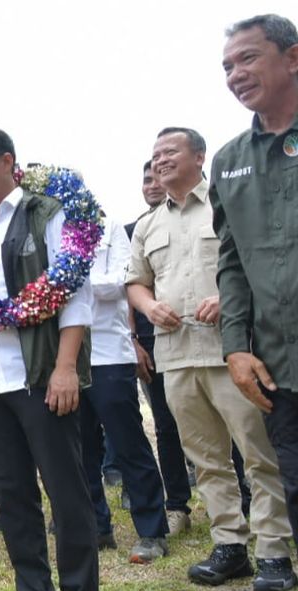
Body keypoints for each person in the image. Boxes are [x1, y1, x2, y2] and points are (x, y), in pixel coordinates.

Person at [127, 127, 293, 591]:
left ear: (199, 156)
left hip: (231, 352)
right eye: (155, 153)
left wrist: (228, 297)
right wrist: (147, 305)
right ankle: (229, 546)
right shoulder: (148, 223)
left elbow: (254, 263)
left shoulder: (227, 204)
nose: (160, 160)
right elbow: (136, 282)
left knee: (259, 455)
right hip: (176, 357)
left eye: (170, 151)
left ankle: (274, 551)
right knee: (208, 460)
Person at [0, 128, 98, 591]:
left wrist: (64, 368)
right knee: (12, 495)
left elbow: (75, 294)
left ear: (7, 161)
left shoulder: (43, 212)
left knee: (65, 491)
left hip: (39, 375)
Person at [211, 13, 298, 591]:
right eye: (227, 67)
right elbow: (232, 263)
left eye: (248, 58)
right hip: (278, 363)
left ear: (292, 57)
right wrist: (236, 348)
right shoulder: (228, 160)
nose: (236, 74)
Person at [79, 205, 170, 564]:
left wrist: (69, 281)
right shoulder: (47, 232)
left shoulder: (108, 227)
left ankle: (152, 531)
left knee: (128, 443)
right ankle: (96, 528)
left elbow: (118, 282)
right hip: (66, 361)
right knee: (80, 450)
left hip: (109, 353)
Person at [126, 162, 194, 536]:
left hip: (207, 332)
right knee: (167, 424)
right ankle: (178, 505)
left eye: (156, 177)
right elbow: (130, 289)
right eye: (145, 179)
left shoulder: (210, 213)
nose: (151, 185)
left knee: (228, 422)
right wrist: (134, 341)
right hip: (155, 342)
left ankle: (246, 498)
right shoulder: (136, 230)